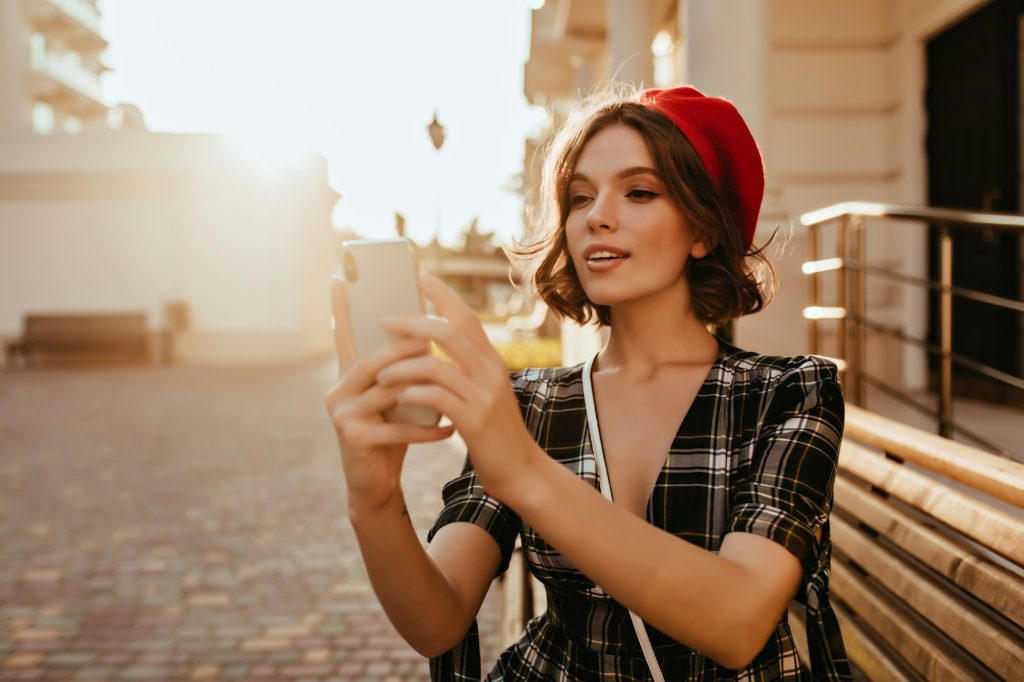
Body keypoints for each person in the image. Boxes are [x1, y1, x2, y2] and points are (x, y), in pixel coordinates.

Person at [325, 84, 851, 681]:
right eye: (579, 197)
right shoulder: (531, 404)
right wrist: (372, 498)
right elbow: (437, 620)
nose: (598, 215)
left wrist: (524, 471)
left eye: (639, 191)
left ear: (702, 231)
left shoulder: (789, 393)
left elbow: (738, 623)